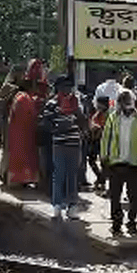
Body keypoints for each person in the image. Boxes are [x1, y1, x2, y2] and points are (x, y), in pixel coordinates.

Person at [102, 89, 137, 236]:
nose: (127, 106)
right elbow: (106, 138)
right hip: (116, 162)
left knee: (134, 196)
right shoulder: (113, 118)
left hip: (134, 163)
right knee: (115, 196)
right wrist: (105, 156)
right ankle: (116, 223)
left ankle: (132, 222)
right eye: (124, 102)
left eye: (129, 102)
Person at [39, 76, 86, 220]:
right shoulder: (52, 103)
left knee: (72, 175)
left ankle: (72, 206)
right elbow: (44, 123)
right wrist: (57, 128)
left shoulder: (77, 103)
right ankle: (57, 205)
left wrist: (79, 115)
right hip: (59, 143)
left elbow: (83, 122)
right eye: (65, 87)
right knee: (58, 175)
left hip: (74, 143)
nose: (68, 90)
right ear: (58, 88)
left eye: (69, 87)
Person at [6, 79, 42, 187]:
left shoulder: (19, 96)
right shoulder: (24, 98)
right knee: (24, 156)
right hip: (24, 132)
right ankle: (21, 180)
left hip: (18, 131)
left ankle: (21, 180)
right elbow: (29, 115)